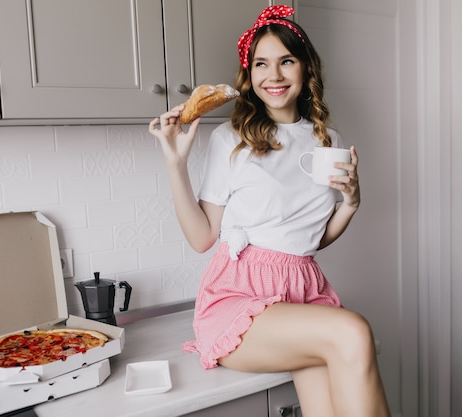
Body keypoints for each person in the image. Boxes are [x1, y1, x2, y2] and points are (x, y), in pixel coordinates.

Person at [149, 5, 390, 417]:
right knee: (353, 332)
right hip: (239, 297)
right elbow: (203, 236)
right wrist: (175, 163)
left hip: (303, 291)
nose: (273, 75)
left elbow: (309, 237)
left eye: (286, 61)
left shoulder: (327, 139)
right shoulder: (231, 139)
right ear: (250, 73)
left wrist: (350, 204)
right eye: (261, 63)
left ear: (305, 69)